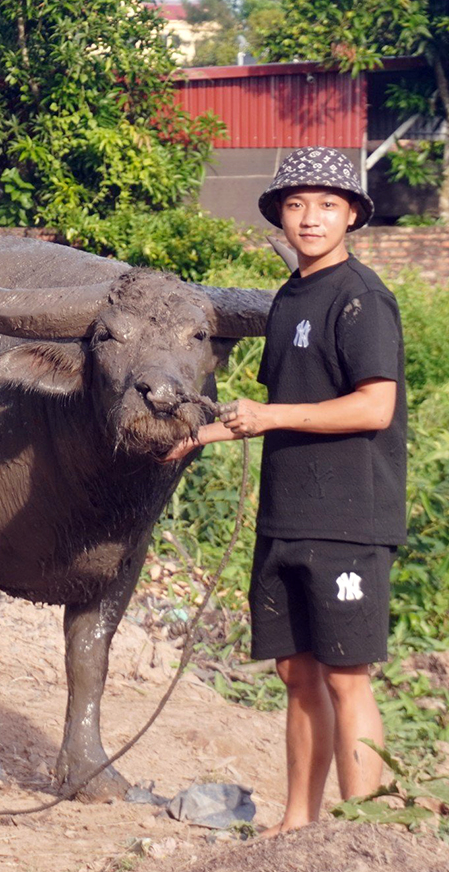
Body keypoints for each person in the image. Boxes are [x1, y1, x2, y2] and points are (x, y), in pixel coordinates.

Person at [163, 147, 407, 836]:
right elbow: (284, 404)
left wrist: (268, 416)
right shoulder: (292, 298)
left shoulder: (364, 299)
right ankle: (300, 824)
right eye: (296, 205)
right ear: (279, 215)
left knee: (346, 675)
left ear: (352, 214)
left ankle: (362, 836)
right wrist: (198, 437)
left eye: (328, 204)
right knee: (297, 673)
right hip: (287, 512)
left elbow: (372, 408)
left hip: (349, 517)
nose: (311, 218)